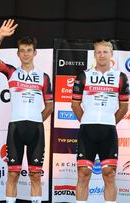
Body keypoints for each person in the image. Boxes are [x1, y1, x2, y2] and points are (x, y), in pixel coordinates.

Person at [0, 19, 54, 203]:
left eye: (29, 50)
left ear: (35, 53)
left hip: (36, 130)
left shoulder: (43, 77)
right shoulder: (11, 72)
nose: (26, 54)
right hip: (15, 128)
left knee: (35, 176)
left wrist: (35, 119)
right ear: (18, 53)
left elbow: (49, 105)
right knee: (13, 174)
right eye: (22, 51)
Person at [71, 40, 129, 203]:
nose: (101, 55)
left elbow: (124, 107)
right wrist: (88, 121)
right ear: (94, 54)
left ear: (111, 54)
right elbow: (75, 104)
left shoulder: (121, 77)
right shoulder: (84, 76)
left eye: (105, 52)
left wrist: (109, 122)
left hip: (108, 132)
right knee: (83, 174)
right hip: (87, 132)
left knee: (109, 174)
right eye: (98, 52)